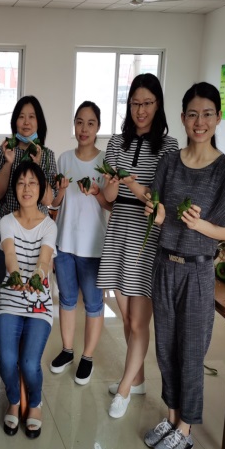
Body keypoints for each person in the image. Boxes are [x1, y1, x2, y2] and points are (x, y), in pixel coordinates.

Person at [142, 82, 225, 449]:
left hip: (198, 272)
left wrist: (201, 225)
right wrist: (156, 214)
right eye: (192, 114)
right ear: (183, 118)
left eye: (207, 114)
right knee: (165, 348)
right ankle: (173, 418)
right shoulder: (170, 162)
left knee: (190, 351)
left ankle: (186, 430)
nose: (199, 121)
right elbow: (157, 208)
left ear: (218, 117)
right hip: (164, 265)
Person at [97, 73, 178, 419]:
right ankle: (138, 378)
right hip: (120, 229)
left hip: (147, 235)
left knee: (140, 319)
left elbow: (162, 198)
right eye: (134, 103)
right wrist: (113, 183)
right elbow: (108, 197)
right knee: (127, 316)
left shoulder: (169, 147)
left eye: (147, 103)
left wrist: (131, 182)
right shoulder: (116, 142)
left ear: (158, 105)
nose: (140, 110)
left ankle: (125, 389)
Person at [50, 101, 112, 385]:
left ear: (98, 127)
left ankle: (87, 356)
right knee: (66, 299)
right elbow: (55, 203)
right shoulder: (64, 159)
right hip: (65, 243)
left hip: (93, 247)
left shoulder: (105, 161)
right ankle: (67, 350)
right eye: (79, 122)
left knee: (94, 304)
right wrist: (61, 191)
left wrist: (98, 192)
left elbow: (110, 205)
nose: (84, 129)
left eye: (90, 123)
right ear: (74, 125)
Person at [0, 162, 57, 440]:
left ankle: (34, 402)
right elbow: (9, 255)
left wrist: (36, 277)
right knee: (7, 361)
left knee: (30, 363)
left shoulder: (49, 225)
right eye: (21, 182)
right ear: (15, 188)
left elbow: (44, 260)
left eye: (32, 182)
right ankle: (14, 399)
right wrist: (15, 276)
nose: (27, 188)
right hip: (11, 300)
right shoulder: (6, 221)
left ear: (41, 188)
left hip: (39, 303)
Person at [0, 95, 57, 285]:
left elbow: (48, 200)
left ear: (39, 122)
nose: (26, 122)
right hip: (6, 230)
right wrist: (8, 163)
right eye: (21, 116)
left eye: (31, 117)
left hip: (37, 233)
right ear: (15, 121)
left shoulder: (47, 155)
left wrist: (38, 166)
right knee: (8, 287)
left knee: (35, 287)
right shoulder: (4, 150)